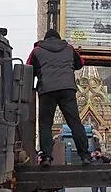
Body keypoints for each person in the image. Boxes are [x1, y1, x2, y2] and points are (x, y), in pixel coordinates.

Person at [27, 30, 91, 167]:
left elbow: (28, 69)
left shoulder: (37, 51)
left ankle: (46, 158)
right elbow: (80, 63)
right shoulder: (69, 48)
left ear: (45, 39)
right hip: (67, 89)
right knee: (75, 123)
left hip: (47, 90)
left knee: (45, 125)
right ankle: (85, 156)